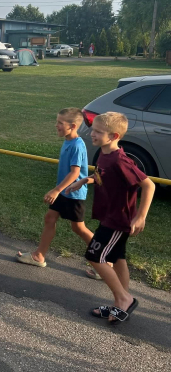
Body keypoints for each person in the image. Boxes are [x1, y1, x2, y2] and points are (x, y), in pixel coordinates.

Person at [66, 112, 154, 323]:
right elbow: (102, 176)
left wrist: (141, 216)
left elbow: (148, 185)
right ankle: (120, 303)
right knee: (117, 258)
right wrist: (84, 181)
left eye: (98, 131)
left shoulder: (121, 160)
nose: (92, 134)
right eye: (93, 129)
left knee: (94, 255)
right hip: (109, 216)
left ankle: (124, 299)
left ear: (114, 136)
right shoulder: (104, 154)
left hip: (118, 220)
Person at [16, 108, 92, 268]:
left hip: (74, 193)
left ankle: (106, 260)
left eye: (60, 123)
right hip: (64, 191)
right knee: (50, 218)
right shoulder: (68, 141)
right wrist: (59, 190)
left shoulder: (77, 145)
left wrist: (56, 190)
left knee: (79, 228)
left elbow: (75, 173)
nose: (56, 125)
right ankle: (39, 256)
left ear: (72, 126)